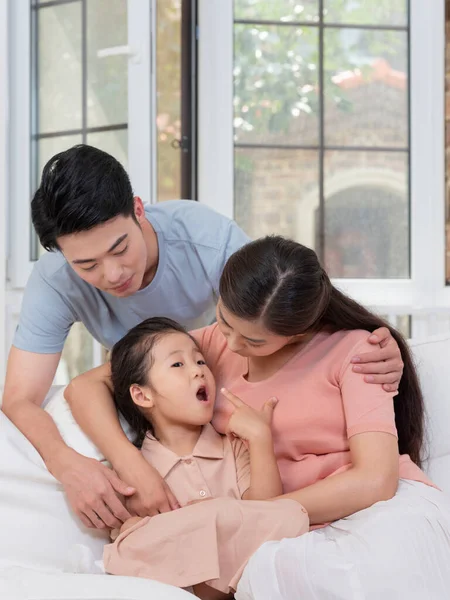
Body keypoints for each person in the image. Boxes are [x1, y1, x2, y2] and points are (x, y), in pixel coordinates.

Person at [2, 143, 402, 528]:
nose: (112, 275)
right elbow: (21, 398)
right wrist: (77, 466)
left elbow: (276, 296)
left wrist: (377, 343)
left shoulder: (205, 245)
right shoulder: (55, 280)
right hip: (150, 398)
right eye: (86, 265)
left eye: (120, 248)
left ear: (138, 210)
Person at [68, 236, 450, 599]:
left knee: (375, 571)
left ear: (298, 333)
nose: (230, 346)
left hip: (366, 514)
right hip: (274, 531)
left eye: (253, 342)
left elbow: (376, 481)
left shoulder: (358, 353)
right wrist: (132, 464)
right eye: (224, 320)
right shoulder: (212, 346)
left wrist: (249, 515)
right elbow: (86, 387)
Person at [102, 317, 308, 599]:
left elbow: (266, 513)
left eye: (200, 361)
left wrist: (260, 438)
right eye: (178, 364)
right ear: (142, 394)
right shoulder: (134, 471)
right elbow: (127, 546)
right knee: (129, 539)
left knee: (291, 514)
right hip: (174, 587)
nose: (198, 372)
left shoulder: (234, 447)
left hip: (245, 581)